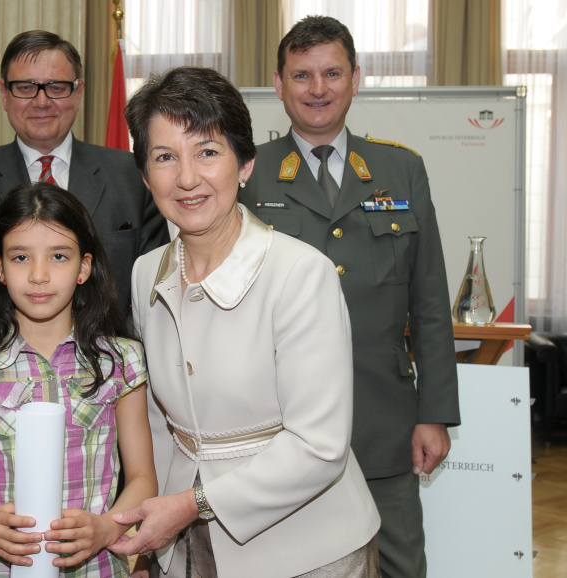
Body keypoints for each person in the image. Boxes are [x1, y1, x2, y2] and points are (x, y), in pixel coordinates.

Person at [108, 66, 381, 577]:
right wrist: (153, 540)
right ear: (146, 178)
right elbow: (161, 424)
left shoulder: (300, 273)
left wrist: (188, 506)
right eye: (165, 158)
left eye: (208, 152)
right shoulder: (147, 272)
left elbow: (319, 447)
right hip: (189, 544)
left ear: (246, 163)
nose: (187, 178)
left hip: (311, 549)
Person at [239, 15, 461, 578]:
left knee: (400, 567)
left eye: (332, 73)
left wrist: (434, 413)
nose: (318, 89)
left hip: (385, 419)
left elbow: (429, 298)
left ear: (356, 78)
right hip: (281, 424)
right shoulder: (248, 176)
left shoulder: (401, 169)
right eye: (302, 75)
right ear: (279, 82)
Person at [0, 183, 158, 576]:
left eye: (58, 256)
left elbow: (144, 477)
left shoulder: (122, 361)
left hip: (92, 567)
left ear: (84, 267)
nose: (39, 275)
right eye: (21, 257)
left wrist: (107, 527)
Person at [0, 29, 169, 340]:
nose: (41, 101)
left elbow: (153, 294)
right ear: (4, 93)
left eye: (56, 87)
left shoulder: (132, 176)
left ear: (78, 93)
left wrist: (119, 367)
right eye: (26, 87)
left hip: (110, 372)